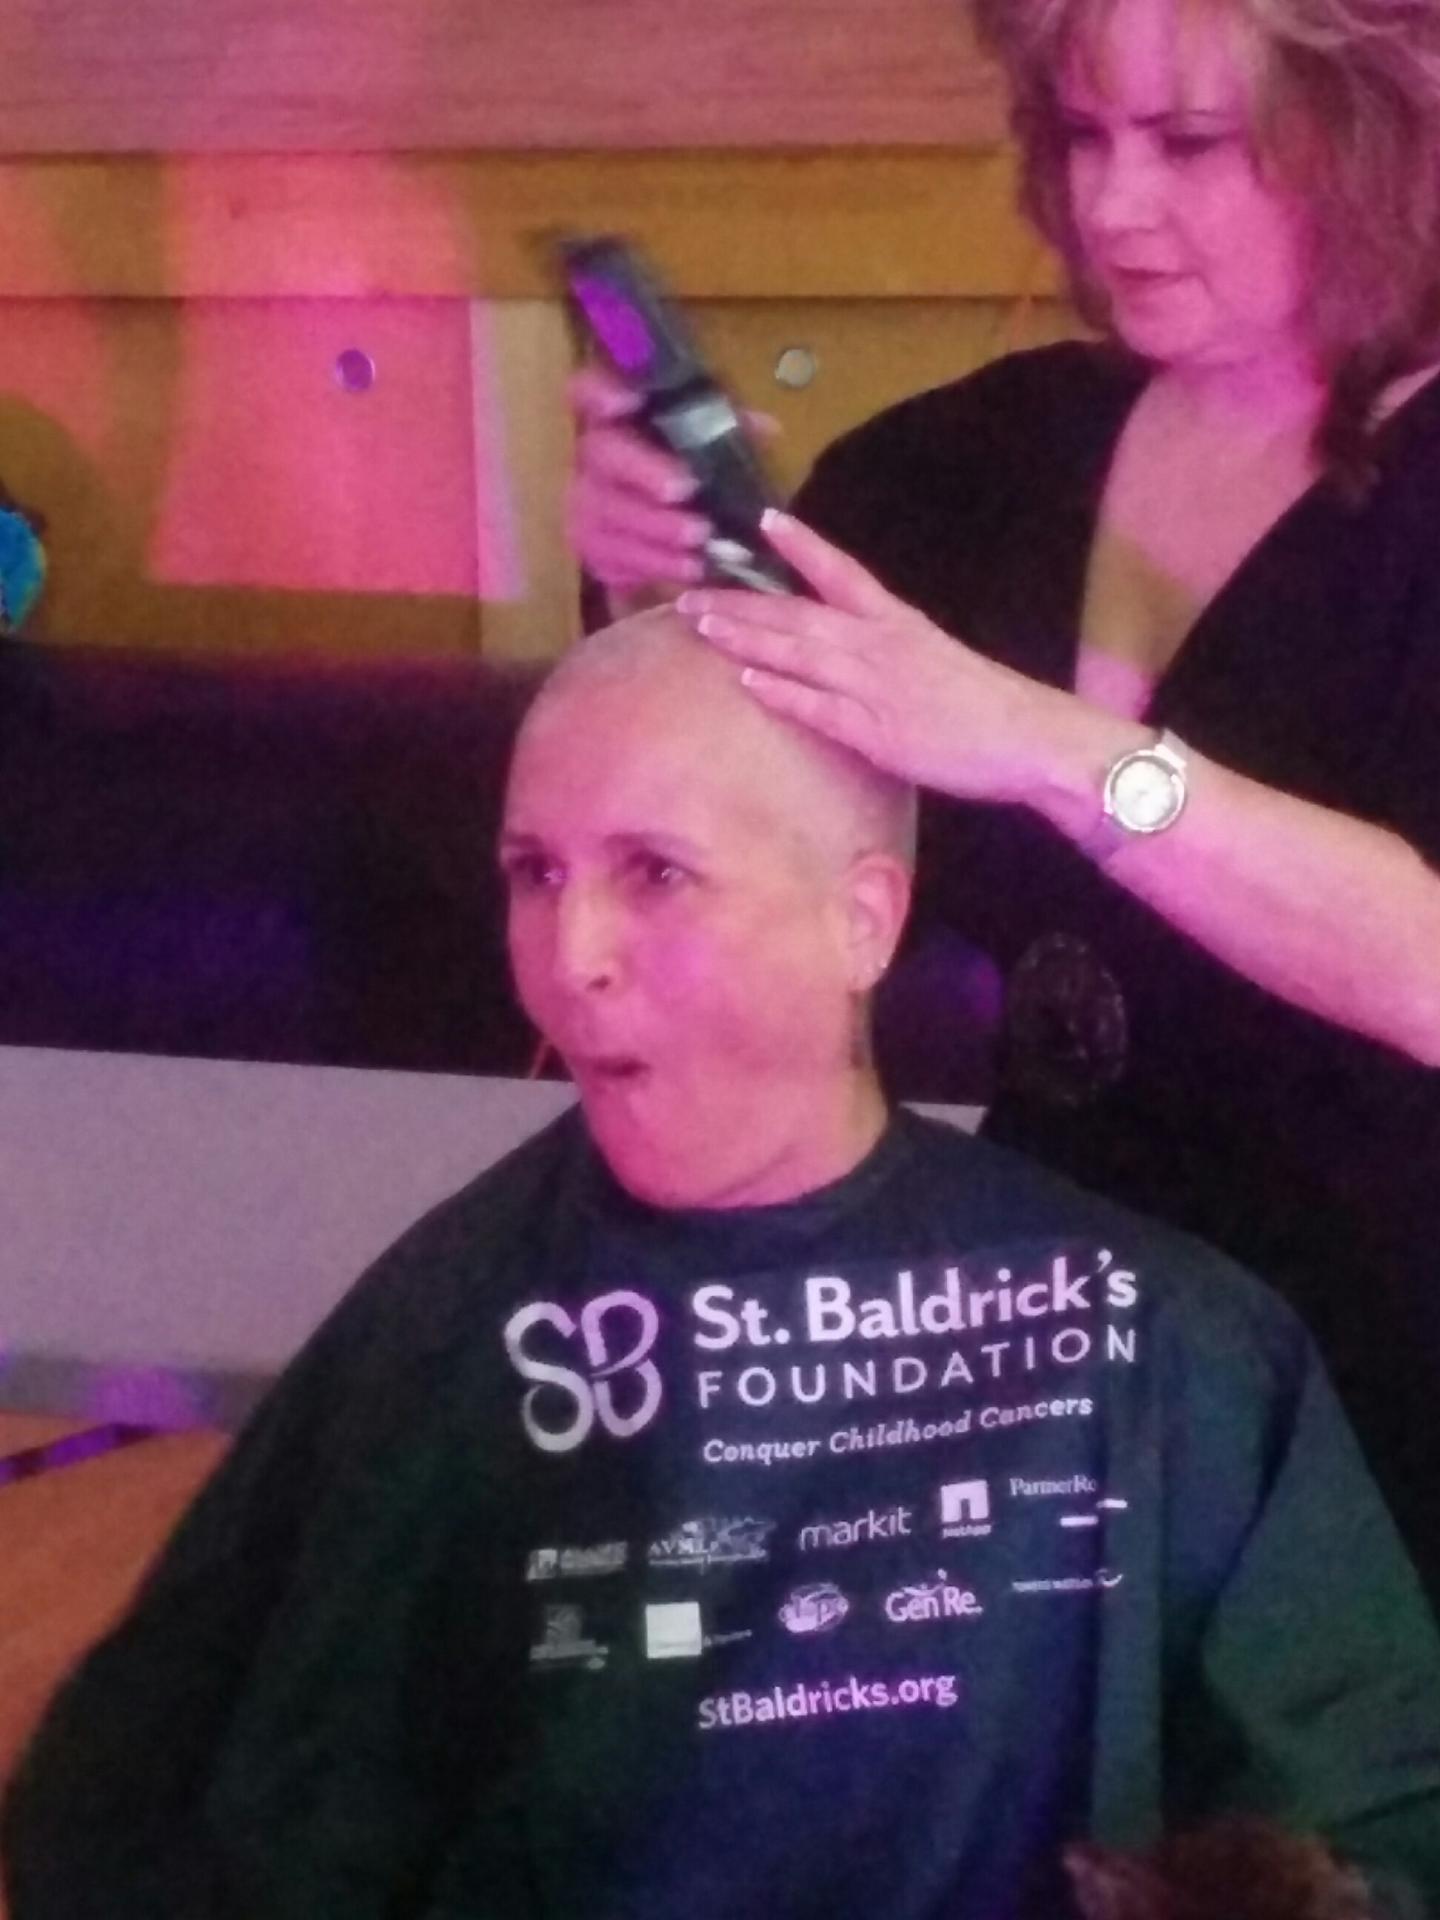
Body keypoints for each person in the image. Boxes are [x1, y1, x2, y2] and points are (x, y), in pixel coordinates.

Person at [4, 609, 1439, 1920]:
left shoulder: (1163, 1338)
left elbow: (1368, 1820)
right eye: (533, 872)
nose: (570, 956)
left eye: (657, 874)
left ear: (862, 920)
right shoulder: (450, 1324)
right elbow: (162, 1808)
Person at [566, 0, 1440, 1601]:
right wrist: (656, 579)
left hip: (1382, 1395)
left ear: (1380, 145)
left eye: (1190, 143)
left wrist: (1047, 747)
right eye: (1086, 137)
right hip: (1055, 1361)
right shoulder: (983, 458)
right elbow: (750, 812)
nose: (1114, 205)